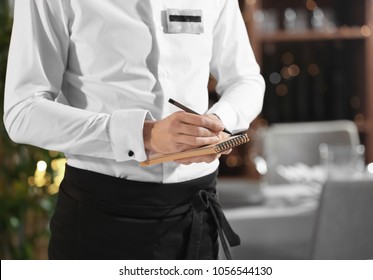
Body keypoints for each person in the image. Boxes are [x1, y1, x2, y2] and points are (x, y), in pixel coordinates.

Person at [3, 0, 265, 260]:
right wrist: (145, 135)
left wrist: (214, 123)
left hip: (197, 216)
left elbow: (246, 80)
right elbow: (22, 111)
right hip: (100, 219)